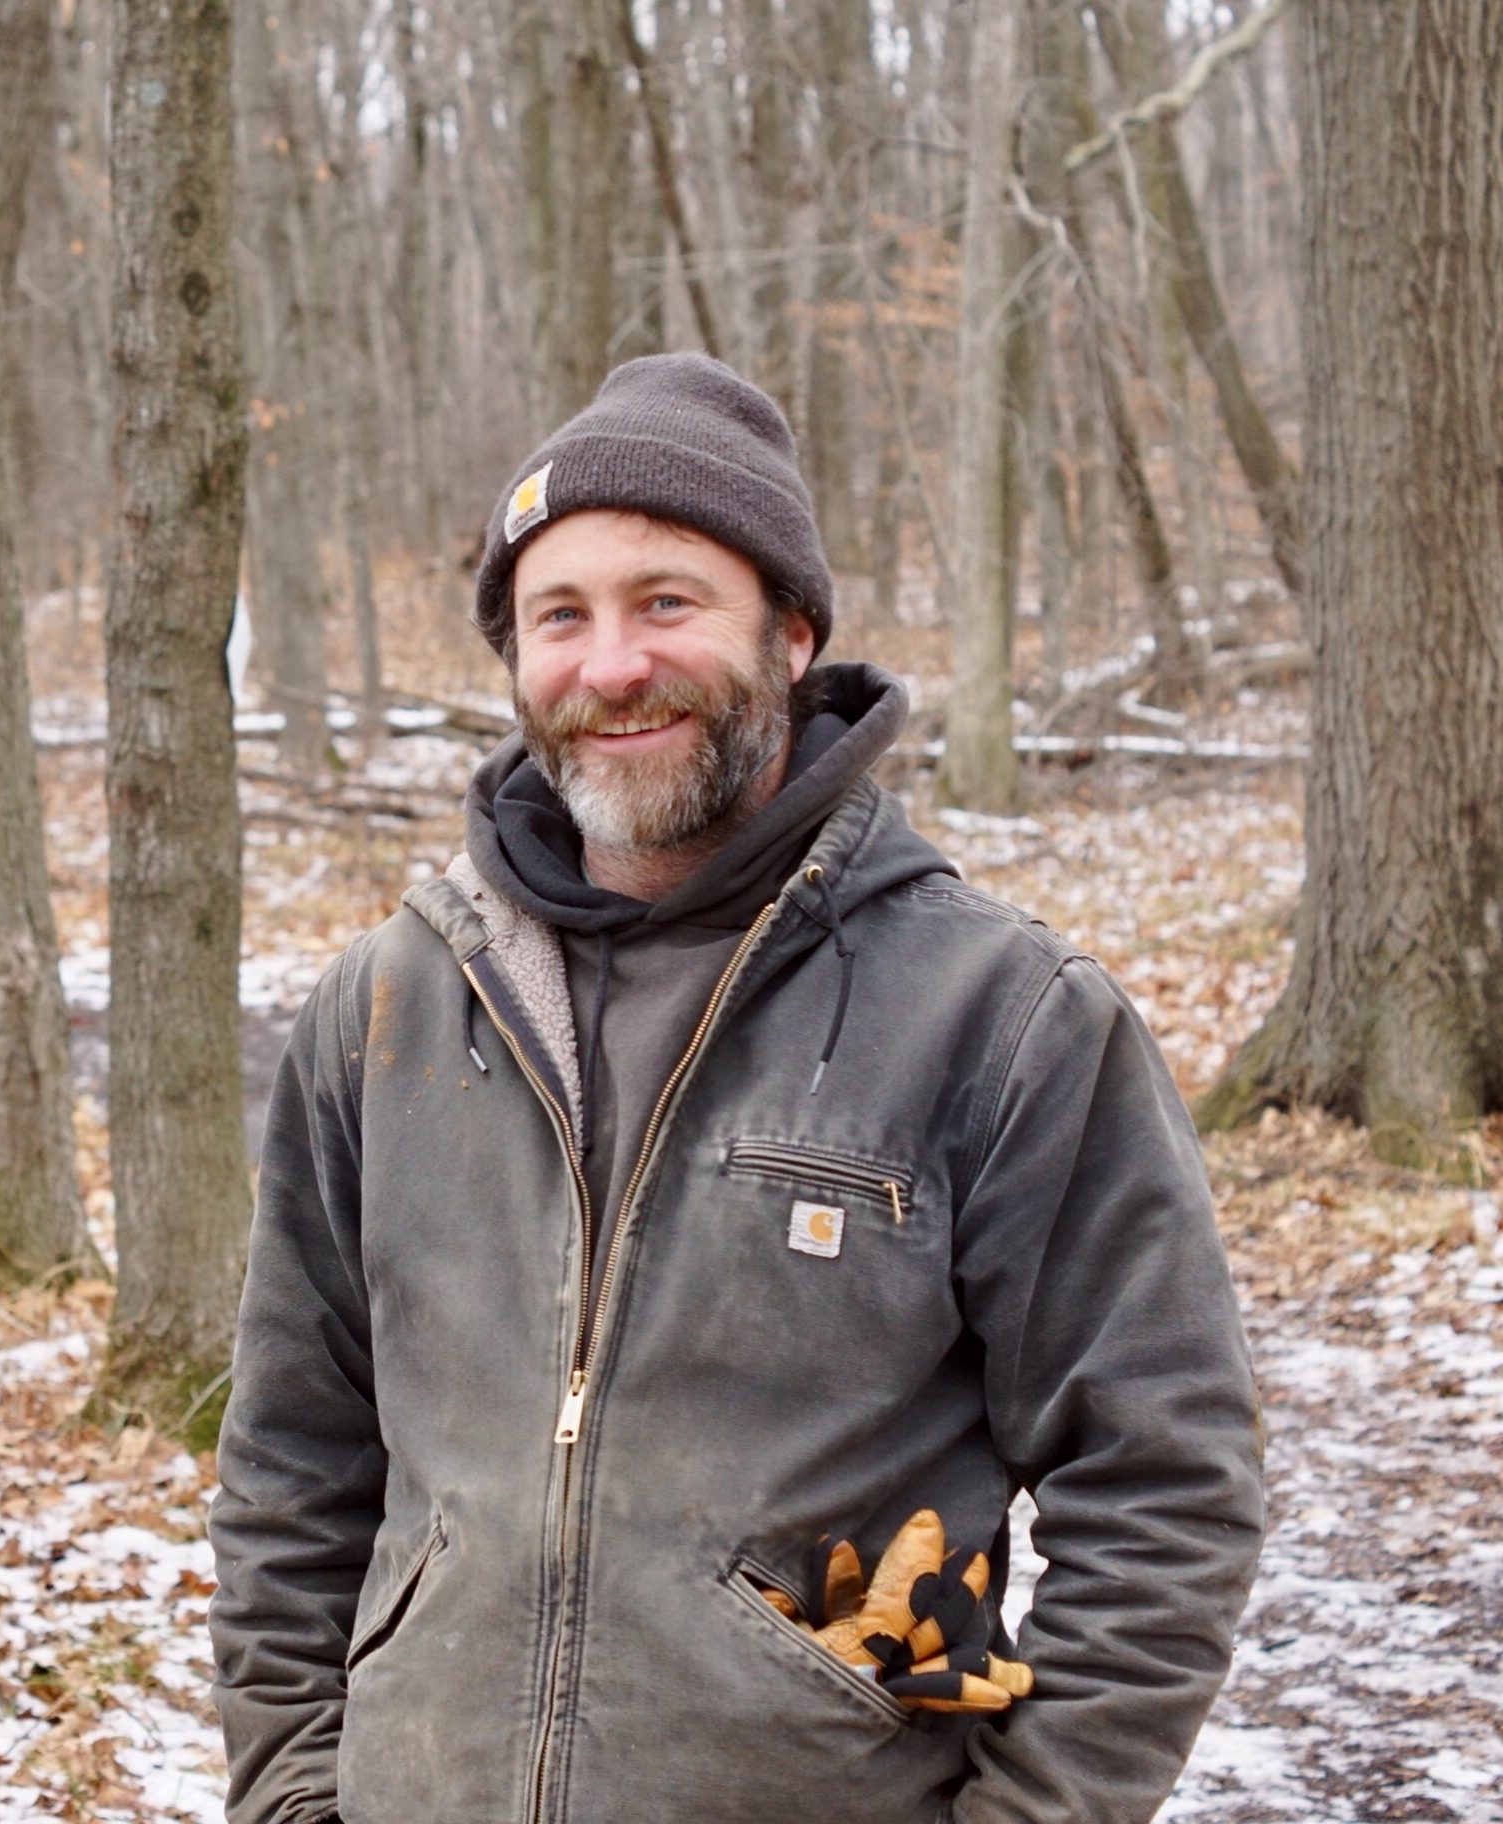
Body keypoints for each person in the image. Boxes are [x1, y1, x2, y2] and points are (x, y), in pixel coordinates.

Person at [207, 354, 1265, 1824]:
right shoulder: (385, 1010)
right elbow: (289, 1464)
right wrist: (290, 1796)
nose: (611, 665)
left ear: (791, 634)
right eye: (558, 617)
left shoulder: (1005, 1019)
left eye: (668, 604)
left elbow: (1166, 1489)